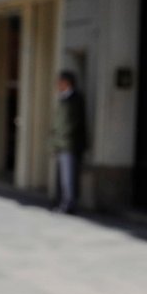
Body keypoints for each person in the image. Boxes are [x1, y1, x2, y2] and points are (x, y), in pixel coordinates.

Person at [51, 70, 87, 213]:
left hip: (70, 144)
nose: (58, 84)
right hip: (62, 144)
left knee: (69, 177)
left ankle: (69, 204)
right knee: (62, 176)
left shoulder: (75, 99)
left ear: (67, 82)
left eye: (60, 81)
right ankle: (62, 201)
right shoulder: (63, 98)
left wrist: (61, 138)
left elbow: (72, 123)